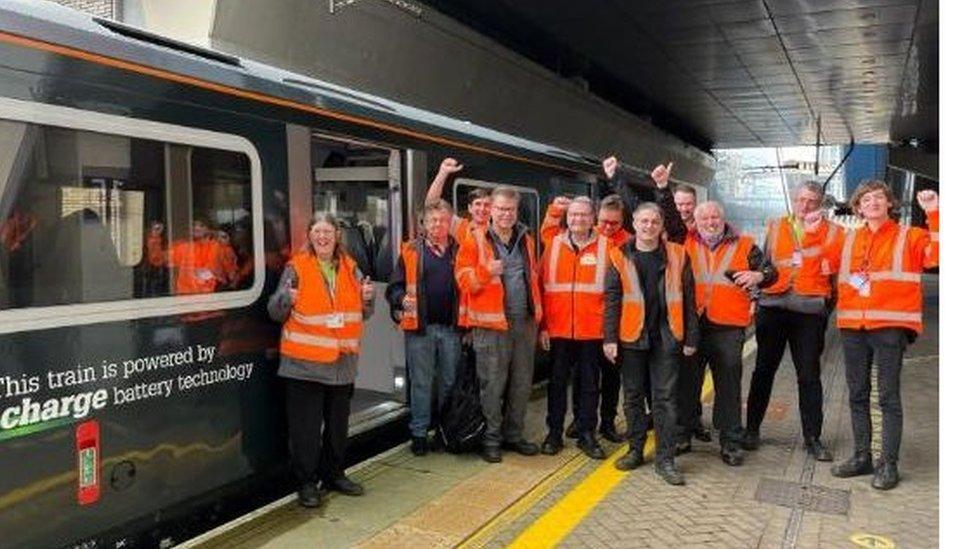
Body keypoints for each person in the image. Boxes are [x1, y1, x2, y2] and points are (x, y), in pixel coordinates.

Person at [824, 182, 938, 490]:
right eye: (865, 199)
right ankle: (862, 456)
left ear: (889, 204)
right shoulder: (848, 240)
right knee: (857, 394)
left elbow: (936, 256)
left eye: (878, 198)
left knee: (888, 396)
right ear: (858, 208)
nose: (872, 202)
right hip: (852, 326)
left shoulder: (909, 236)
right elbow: (822, 263)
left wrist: (934, 213)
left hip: (890, 325)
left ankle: (888, 464)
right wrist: (812, 229)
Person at [268, 213, 376, 508]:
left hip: (342, 364)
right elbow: (275, 312)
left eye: (327, 231)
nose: (322, 237)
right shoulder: (296, 268)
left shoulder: (351, 269)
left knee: (338, 427)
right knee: (306, 429)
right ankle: (307, 482)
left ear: (337, 235)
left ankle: (334, 474)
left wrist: (368, 297)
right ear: (310, 235)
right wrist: (286, 299)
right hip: (305, 365)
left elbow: (364, 313)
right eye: (317, 231)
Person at [744, 182, 843, 460]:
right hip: (773, 307)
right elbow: (762, 267)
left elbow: (837, 276)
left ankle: (813, 438)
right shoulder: (776, 226)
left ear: (821, 204)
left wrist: (824, 308)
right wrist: (755, 299)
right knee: (763, 370)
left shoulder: (835, 233)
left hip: (809, 313)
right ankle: (751, 429)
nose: (804, 205)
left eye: (811, 201)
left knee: (809, 375)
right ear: (793, 199)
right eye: (800, 199)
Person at [604, 202, 699, 484]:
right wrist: (609, 338)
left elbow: (689, 299)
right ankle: (635, 450)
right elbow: (612, 300)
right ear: (634, 223)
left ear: (661, 225)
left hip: (667, 337)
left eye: (654, 222)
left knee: (665, 399)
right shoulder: (618, 255)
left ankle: (665, 459)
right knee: (632, 397)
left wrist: (691, 336)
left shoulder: (679, 255)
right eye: (643, 221)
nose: (648, 227)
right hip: (631, 337)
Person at [679, 201, 777, 466]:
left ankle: (731, 441)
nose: (711, 222)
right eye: (705, 219)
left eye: (715, 217)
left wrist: (759, 277)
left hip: (728, 327)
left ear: (723, 219)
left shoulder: (745, 245)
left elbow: (771, 273)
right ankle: (682, 433)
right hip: (692, 324)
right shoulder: (684, 242)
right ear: (696, 222)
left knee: (728, 386)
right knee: (687, 382)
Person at [455, 186, 543, 463]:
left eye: (511, 209)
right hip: (491, 326)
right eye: (501, 209)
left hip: (524, 323)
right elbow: (461, 279)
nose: (506, 214)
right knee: (492, 385)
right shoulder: (474, 240)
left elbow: (534, 278)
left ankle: (513, 436)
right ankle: (491, 439)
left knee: (521, 383)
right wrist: (484, 272)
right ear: (491, 210)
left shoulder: (525, 238)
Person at [386, 199, 462, 456]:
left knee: (449, 382)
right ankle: (419, 435)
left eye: (442, 219)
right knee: (421, 383)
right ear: (424, 224)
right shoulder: (410, 250)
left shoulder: (460, 250)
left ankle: (444, 431)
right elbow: (394, 286)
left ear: (450, 222)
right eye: (433, 220)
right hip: (421, 330)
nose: (438, 224)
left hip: (452, 329)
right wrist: (400, 299)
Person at [539, 196, 611, 459]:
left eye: (583, 215)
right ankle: (554, 434)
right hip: (558, 330)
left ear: (593, 218)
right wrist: (543, 326)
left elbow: (614, 294)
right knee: (556, 384)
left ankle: (586, 435)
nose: (577, 219)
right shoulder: (553, 245)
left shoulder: (607, 247)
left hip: (593, 331)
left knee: (590, 386)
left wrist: (609, 333)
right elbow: (541, 287)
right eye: (573, 215)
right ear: (566, 218)